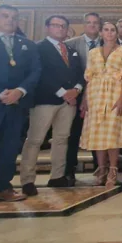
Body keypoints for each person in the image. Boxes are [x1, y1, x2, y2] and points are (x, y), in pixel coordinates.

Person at [19, 15, 82, 196]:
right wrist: (64, 93)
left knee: (61, 138)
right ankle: (28, 179)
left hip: (68, 103)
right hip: (45, 100)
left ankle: (57, 176)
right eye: (56, 25)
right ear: (48, 27)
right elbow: (40, 73)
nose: (60, 29)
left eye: (63, 26)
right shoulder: (38, 48)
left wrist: (76, 90)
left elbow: (79, 73)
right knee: (35, 140)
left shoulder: (70, 50)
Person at [80, 22, 122, 188]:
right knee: (98, 132)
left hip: (115, 93)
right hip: (96, 94)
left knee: (112, 133)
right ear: (101, 32)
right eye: (106, 30)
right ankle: (102, 168)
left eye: (112, 30)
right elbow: (89, 77)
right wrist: (85, 99)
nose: (109, 33)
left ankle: (113, 168)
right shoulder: (93, 53)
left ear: (116, 33)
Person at [0, 5, 39, 201]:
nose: (10, 20)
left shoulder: (27, 45)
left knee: (10, 146)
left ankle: (3, 186)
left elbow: (35, 71)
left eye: (14, 17)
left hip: (16, 104)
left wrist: (19, 91)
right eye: (5, 16)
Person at [65, 12, 102, 183]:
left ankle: (99, 166)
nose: (92, 25)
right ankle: (69, 168)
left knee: (98, 132)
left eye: (95, 23)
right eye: (89, 22)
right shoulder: (70, 45)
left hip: (100, 96)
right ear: (84, 25)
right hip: (77, 95)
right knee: (74, 133)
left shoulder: (108, 43)